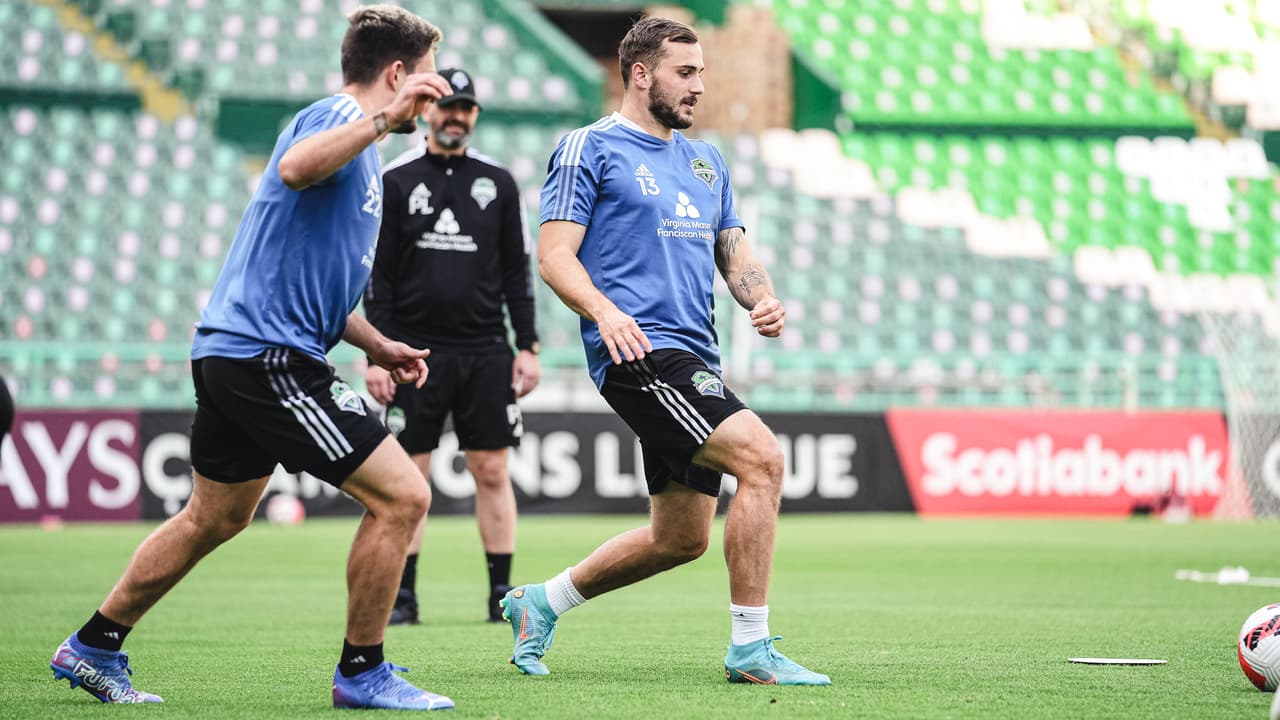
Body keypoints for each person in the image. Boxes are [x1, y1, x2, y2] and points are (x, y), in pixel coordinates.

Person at [49, 6, 459, 710]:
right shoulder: (338, 118)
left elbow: (318, 285)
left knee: (215, 518)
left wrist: (380, 344)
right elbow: (296, 167)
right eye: (426, 79)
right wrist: (383, 121)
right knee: (405, 495)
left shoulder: (362, 150)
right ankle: (362, 672)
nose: (435, 95)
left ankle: (92, 645)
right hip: (267, 355)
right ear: (397, 75)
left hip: (239, 350)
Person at [499, 16, 830, 686]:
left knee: (681, 538)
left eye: (703, 72)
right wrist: (604, 311)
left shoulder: (707, 161)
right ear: (642, 73)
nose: (699, 86)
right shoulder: (588, 148)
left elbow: (732, 248)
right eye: (686, 72)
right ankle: (750, 649)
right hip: (640, 353)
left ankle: (540, 603)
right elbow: (554, 255)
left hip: (694, 356)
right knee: (763, 459)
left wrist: (759, 295)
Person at [365, 67, 540, 625]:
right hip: (414, 354)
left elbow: (517, 270)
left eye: (465, 108)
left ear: (475, 116)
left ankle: (500, 595)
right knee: (408, 476)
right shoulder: (395, 179)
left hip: (487, 349)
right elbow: (378, 278)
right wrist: (377, 353)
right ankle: (405, 596)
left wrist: (527, 345)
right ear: (426, 112)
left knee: (492, 470)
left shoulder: (499, 181)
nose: (456, 117)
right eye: (446, 107)